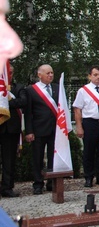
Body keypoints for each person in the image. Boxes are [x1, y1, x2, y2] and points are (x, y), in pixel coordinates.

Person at [24, 64, 59, 195]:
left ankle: (52, 182)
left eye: (52, 73)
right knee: (38, 157)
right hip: (38, 129)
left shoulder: (56, 88)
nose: (50, 75)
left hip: (55, 129)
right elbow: (28, 113)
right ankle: (38, 183)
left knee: (53, 157)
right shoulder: (31, 90)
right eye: (48, 73)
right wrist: (29, 131)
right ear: (40, 75)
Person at [1, 64, 24, 197]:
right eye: (5, 72)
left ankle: (7, 187)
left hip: (11, 130)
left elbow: (23, 101)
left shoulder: (18, 88)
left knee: (9, 161)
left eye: (10, 73)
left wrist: (5, 101)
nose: (8, 75)